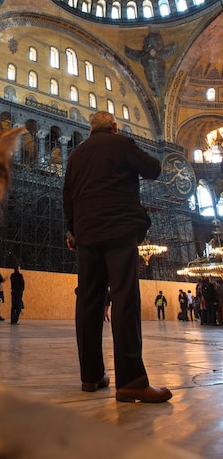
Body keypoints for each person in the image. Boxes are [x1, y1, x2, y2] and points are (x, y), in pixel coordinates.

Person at [62, 110, 172, 403]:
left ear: (89, 131)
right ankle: (131, 382)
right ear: (113, 127)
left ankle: (92, 376)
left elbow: (68, 195)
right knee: (124, 301)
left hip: (86, 235)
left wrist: (72, 230)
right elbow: (153, 169)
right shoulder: (122, 143)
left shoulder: (76, 156)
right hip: (119, 232)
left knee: (88, 303)